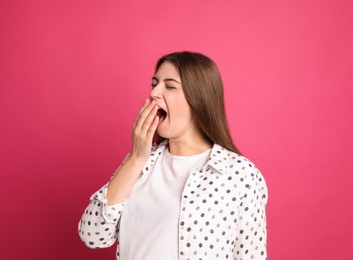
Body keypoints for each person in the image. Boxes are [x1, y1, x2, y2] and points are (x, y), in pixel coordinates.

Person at [78, 51, 268, 260]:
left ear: (198, 99)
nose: (154, 93)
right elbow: (92, 235)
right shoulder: (138, 164)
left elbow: (251, 256)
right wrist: (136, 158)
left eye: (169, 86)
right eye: (154, 83)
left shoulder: (239, 174)